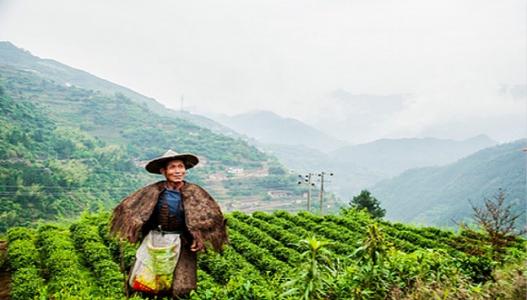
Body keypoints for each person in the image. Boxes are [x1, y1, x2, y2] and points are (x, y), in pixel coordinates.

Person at [109, 149, 228, 298]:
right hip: (156, 241)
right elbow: (129, 209)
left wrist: (199, 238)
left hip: (183, 243)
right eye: (173, 167)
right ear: (163, 171)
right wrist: (131, 229)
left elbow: (212, 216)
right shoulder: (152, 191)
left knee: (182, 286)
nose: (178, 171)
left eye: (181, 167)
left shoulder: (196, 192)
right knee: (149, 283)